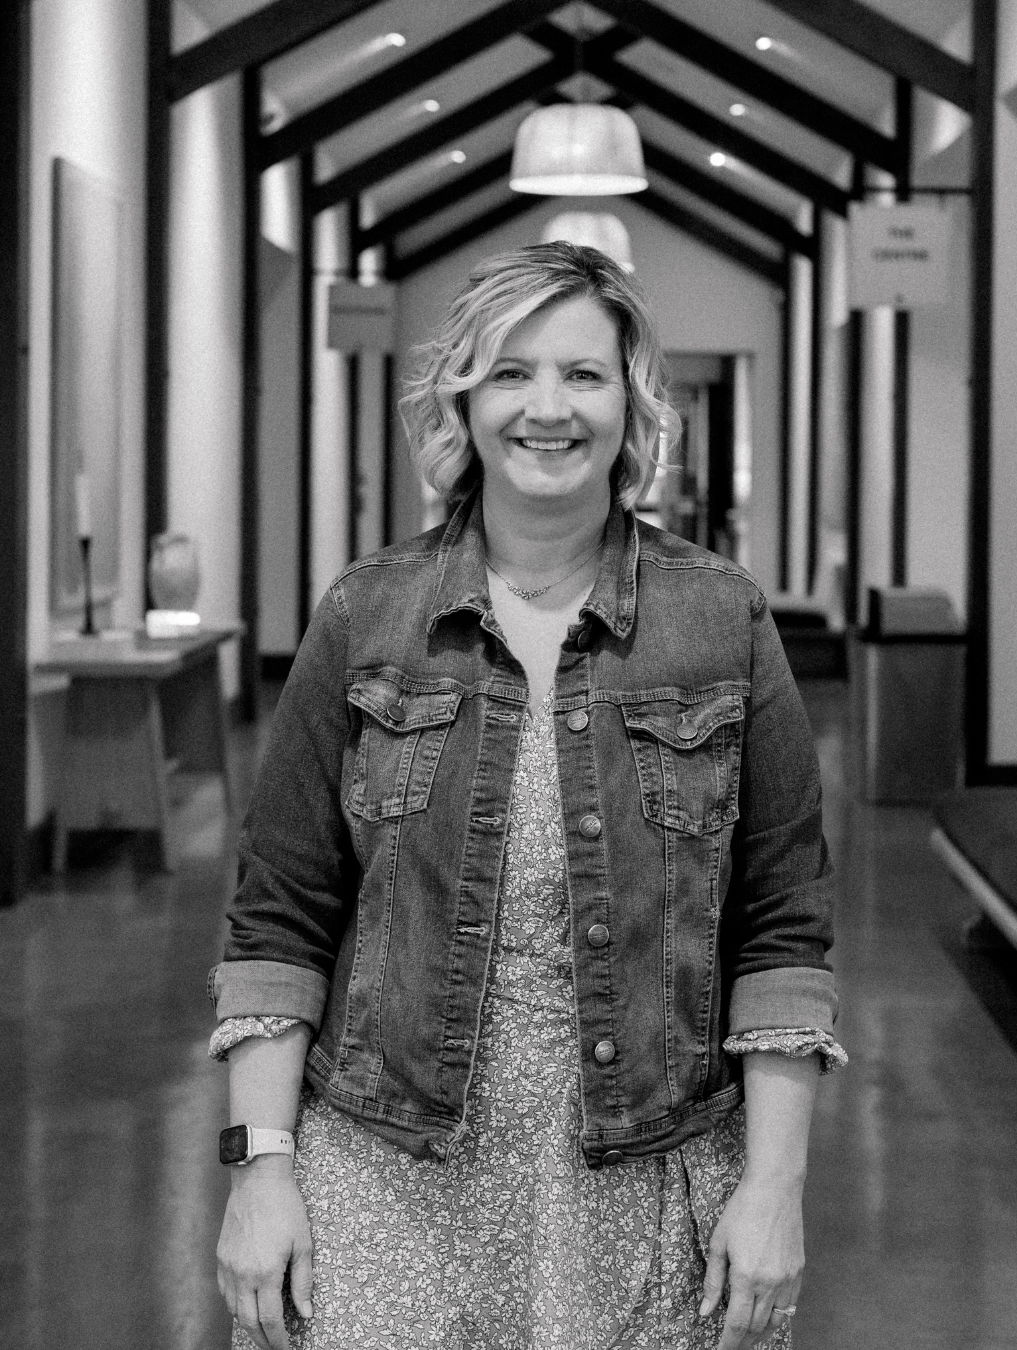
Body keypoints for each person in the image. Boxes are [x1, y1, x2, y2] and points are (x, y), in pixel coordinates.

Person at [210, 241, 845, 1350]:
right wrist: (261, 1169)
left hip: (647, 1173)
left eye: (583, 374)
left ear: (631, 401)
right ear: (464, 393)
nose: (546, 408)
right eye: (511, 371)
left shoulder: (721, 617)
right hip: (386, 1172)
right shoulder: (369, 613)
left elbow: (783, 928)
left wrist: (776, 1186)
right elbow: (281, 915)